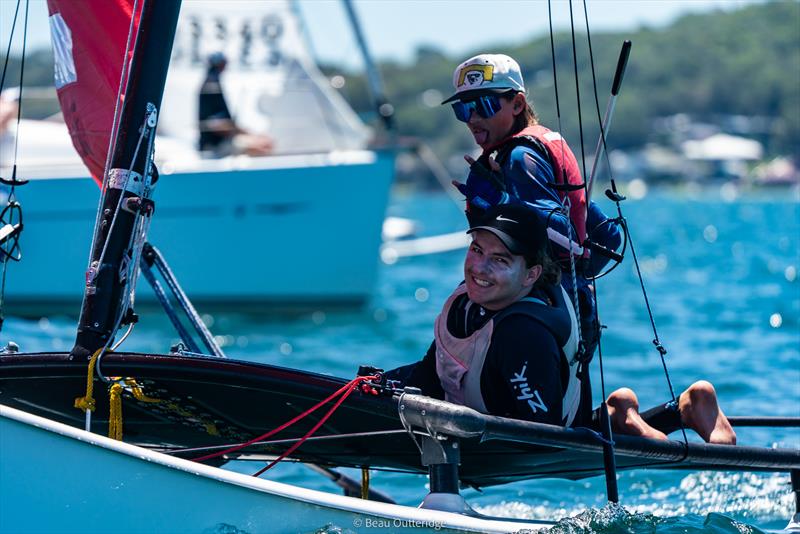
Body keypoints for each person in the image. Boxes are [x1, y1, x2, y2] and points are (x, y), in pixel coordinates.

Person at [387, 203, 736, 444]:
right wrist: (373, 386)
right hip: (515, 416)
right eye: (477, 250)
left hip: (543, 437)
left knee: (570, 431)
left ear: (531, 275)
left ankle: (632, 415)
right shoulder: (466, 304)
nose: (479, 268)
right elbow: (428, 376)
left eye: (499, 260)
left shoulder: (521, 333)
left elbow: (541, 436)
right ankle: (647, 411)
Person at [443, 53, 623, 366]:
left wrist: (502, 207)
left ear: (517, 104)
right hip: (571, 311)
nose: (472, 118)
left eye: (483, 105)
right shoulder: (532, 150)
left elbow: (567, 238)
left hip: (540, 313)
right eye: (463, 108)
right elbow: (607, 240)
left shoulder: (518, 159)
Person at [198, 52, 273, 157]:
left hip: (220, 141)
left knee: (261, 144)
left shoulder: (211, 83)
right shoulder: (211, 86)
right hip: (215, 145)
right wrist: (249, 134)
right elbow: (216, 125)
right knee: (262, 149)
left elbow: (220, 122)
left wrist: (248, 134)